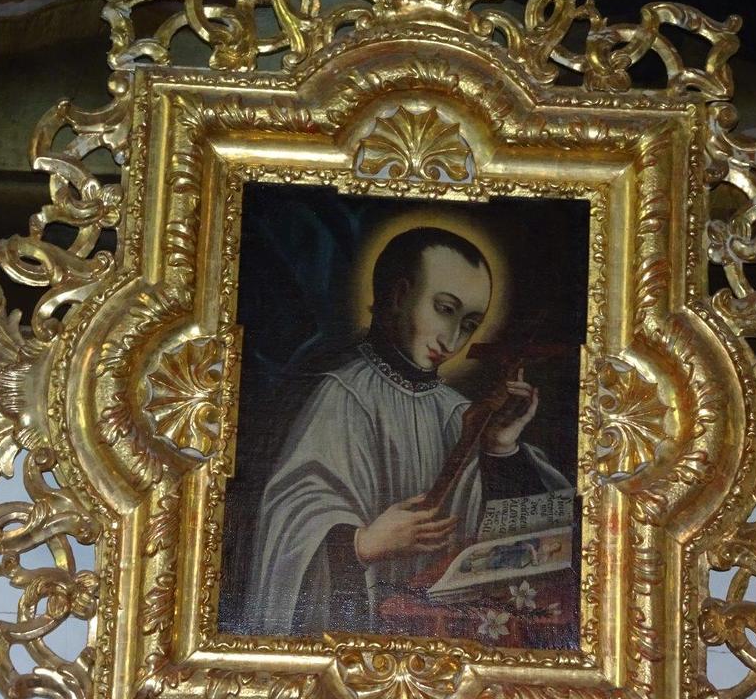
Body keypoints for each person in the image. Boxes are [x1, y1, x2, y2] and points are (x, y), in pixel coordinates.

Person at [244, 227, 571, 635]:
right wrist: (363, 544)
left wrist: (500, 449)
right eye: (445, 309)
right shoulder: (343, 397)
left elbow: (530, 533)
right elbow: (291, 522)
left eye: (469, 324)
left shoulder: (460, 413)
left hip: (443, 629)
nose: (451, 340)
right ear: (399, 296)